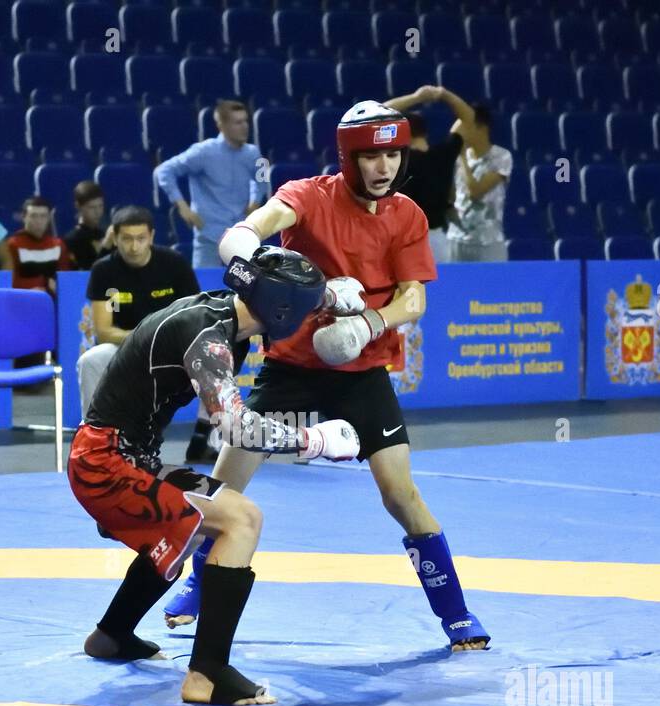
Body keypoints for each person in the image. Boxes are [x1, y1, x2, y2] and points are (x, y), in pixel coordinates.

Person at [162, 101, 491, 652]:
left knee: (400, 494)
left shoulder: (407, 214)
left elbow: (415, 299)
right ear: (348, 157)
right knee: (224, 485)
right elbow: (257, 226)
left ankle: (456, 612)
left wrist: (369, 324)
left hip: (363, 373)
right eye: (372, 156)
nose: (384, 166)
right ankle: (199, 579)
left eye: (393, 154)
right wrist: (246, 247)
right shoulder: (308, 195)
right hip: (290, 368)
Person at [68, 246, 361, 706]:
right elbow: (236, 427)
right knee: (241, 519)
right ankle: (207, 674)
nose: (308, 319)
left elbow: (275, 291)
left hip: (120, 456)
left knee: (183, 530)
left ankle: (111, 636)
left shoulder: (231, 311)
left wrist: (331, 297)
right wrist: (315, 442)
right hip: (106, 465)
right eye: (304, 310)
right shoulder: (208, 339)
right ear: (282, 311)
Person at [80, 206, 213, 462]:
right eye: (126, 239)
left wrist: (167, 342)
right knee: (90, 360)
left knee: (215, 357)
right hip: (124, 347)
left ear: (151, 236)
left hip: (172, 349)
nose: (133, 246)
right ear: (115, 238)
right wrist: (144, 338)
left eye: (140, 238)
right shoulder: (103, 271)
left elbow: (194, 315)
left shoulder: (174, 265)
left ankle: (201, 440)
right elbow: (104, 331)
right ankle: (93, 440)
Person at [154, 99, 265, 268]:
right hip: (209, 236)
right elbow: (164, 170)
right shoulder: (203, 152)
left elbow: (263, 179)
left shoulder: (254, 152)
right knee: (204, 290)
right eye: (238, 122)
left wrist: (255, 202)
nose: (245, 127)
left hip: (241, 235)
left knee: (249, 290)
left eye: (246, 121)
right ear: (222, 126)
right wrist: (183, 207)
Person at [384, 85, 479, 264]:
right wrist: (444, 94)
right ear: (425, 133)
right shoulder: (444, 154)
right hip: (436, 241)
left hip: (401, 240)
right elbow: (469, 118)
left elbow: (378, 113)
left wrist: (416, 97)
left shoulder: (398, 159)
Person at [444, 101, 513, 263]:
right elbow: (450, 195)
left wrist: (461, 155)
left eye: (466, 126)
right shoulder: (455, 157)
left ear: (482, 128)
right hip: (456, 240)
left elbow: (475, 191)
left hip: (489, 242)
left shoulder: (502, 157)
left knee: (493, 289)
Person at [8, 196, 73, 296]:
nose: (38, 221)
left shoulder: (58, 245)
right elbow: (9, 282)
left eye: (43, 216)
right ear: (24, 217)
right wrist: (30, 290)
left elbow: (65, 280)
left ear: (48, 218)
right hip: (23, 301)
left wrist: (57, 288)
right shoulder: (13, 245)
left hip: (52, 302)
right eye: (33, 216)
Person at [63, 181, 115, 270]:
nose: (98, 212)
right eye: (92, 207)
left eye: (100, 206)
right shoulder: (72, 239)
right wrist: (105, 248)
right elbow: (88, 272)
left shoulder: (102, 234)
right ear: (78, 206)